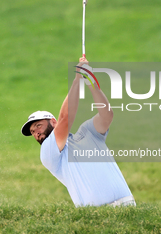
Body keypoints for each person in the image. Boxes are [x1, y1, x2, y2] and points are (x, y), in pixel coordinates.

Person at [21, 57, 135, 207]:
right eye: (32, 131)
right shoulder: (48, 152)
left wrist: (91, 82)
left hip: (127, 205)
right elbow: (66, 117)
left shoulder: (87, 132)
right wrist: (77, 79)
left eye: (38, 125)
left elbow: (107, 115)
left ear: (53, 122)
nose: (36, 132)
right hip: (97, 215)